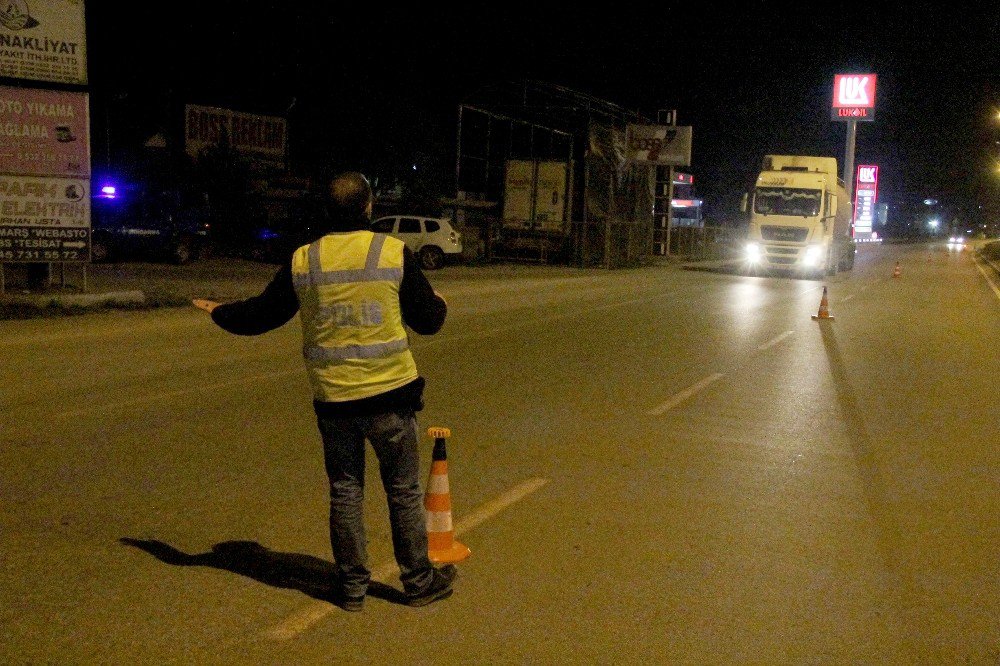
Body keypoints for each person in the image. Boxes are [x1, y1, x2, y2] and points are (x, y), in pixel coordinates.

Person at [193, 172, 456, 611]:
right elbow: (429, 321)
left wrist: (221, 312)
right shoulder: (393, 252)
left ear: (327, 211)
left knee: (346, 491)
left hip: (335, 400)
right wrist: (441, 302)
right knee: (404, 492)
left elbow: (263, 314)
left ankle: (352, 587)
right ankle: (417, 581)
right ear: (369, 207)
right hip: (391, 396)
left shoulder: (304, 260)